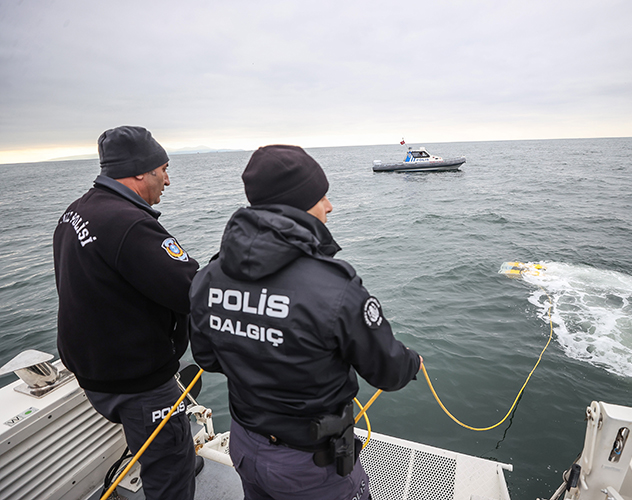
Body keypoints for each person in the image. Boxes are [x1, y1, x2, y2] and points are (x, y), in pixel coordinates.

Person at [189, 145, 422, 500]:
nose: (329, 206)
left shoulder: (208, 277)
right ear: (298, 204)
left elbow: (207, 358)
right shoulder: (334, 287)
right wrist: (412, 362)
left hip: (245, 446)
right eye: (321, 196)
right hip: (310, 467)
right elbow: (388, 371)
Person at [53, 125, 199, 500]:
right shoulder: (131, 225)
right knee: (171, 468)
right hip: (139, 383)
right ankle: (167, 463)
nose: (168, 179)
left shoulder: (75, 212)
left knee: (157, 449)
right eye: (163, 169)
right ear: (139, 171)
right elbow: (191, 292)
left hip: (94, 374)